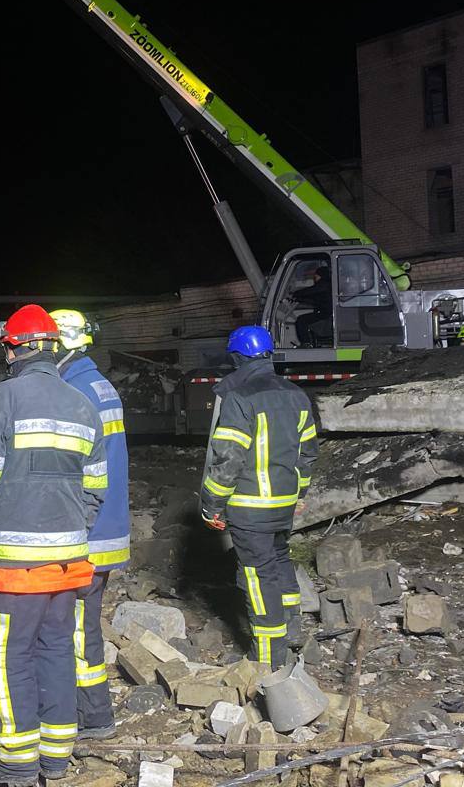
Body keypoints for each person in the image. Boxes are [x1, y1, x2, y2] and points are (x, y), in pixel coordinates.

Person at [0, 305, 106, 787]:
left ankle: (13, 760)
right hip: (68, 563)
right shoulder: (82, 403)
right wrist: (71, 529)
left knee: (4, 655)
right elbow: (95, 486)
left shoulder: (6, 396)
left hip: (14, 566)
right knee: (56, 650)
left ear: (13, 350)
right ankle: (55, 756)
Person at [199, 326, 318, 669]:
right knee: (279, 560)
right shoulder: (296, 394)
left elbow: (228, 460)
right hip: (284, 504)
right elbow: (308, 454)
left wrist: (211, 504)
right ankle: (292, 629)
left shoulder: (240, 398)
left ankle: (267, 657)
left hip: (250, 509)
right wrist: (299, 492)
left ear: (237, 357)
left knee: (257, 575)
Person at [49, 309, 130, 739]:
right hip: (105, 526)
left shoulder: (74, 391)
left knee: (78, 628)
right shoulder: (97, 383)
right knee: (84, 622)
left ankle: (94, 716)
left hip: (88, 531)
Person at [293, 264, 332, 348]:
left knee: (301, 320)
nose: (315, 278)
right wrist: (300, 299)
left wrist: (296, 294)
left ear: (321, 275)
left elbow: (310, 291)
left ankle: (306, 343)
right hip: (325, 312)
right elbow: (316, 299)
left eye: (316, 276)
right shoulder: (327, 284)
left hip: (325, 314)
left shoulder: (324, 284)